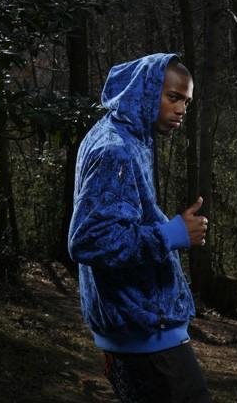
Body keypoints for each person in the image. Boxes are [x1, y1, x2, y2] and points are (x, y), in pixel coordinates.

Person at [68, 53, 210, 403]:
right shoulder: (115, 150)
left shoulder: (125, 136)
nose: (181, 110)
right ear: (145, 90)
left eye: (186, 102)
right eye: (173, 97)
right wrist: (172, 234)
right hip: (145, 339)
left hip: (139, 332)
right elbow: (88, 240)